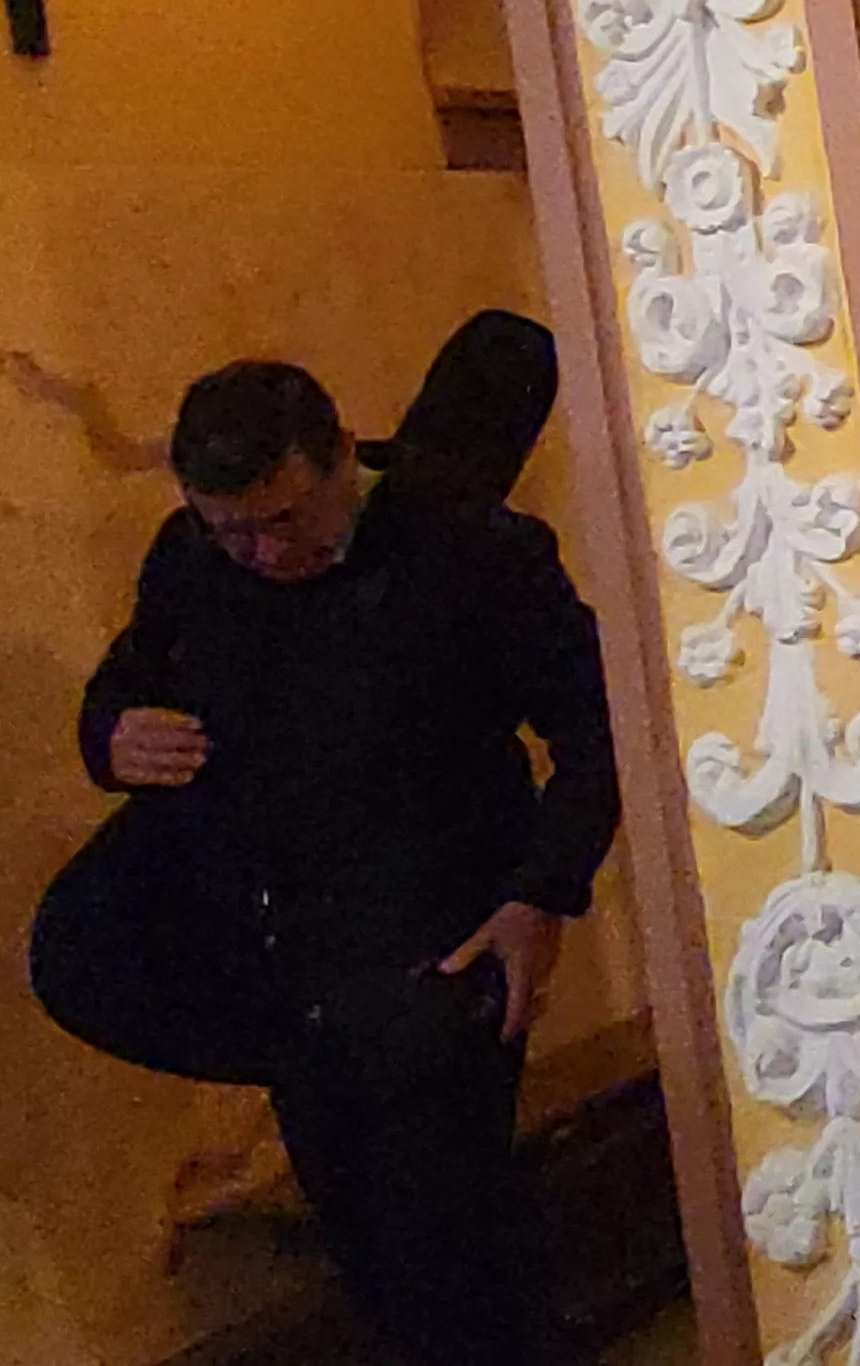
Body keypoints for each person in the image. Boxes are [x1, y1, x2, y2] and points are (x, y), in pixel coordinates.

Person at [76, 353, 618, 1366]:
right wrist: (110, 735)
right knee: (371, 1255)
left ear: (339, 462)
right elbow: (132, 675)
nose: (257, 551)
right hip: (300, 965)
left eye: (282, 520)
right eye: (227, 527)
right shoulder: (195, 556)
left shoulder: (466, 546)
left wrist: (541, 893)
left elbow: (600, 727)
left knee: (450, 1256)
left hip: (443, 950)